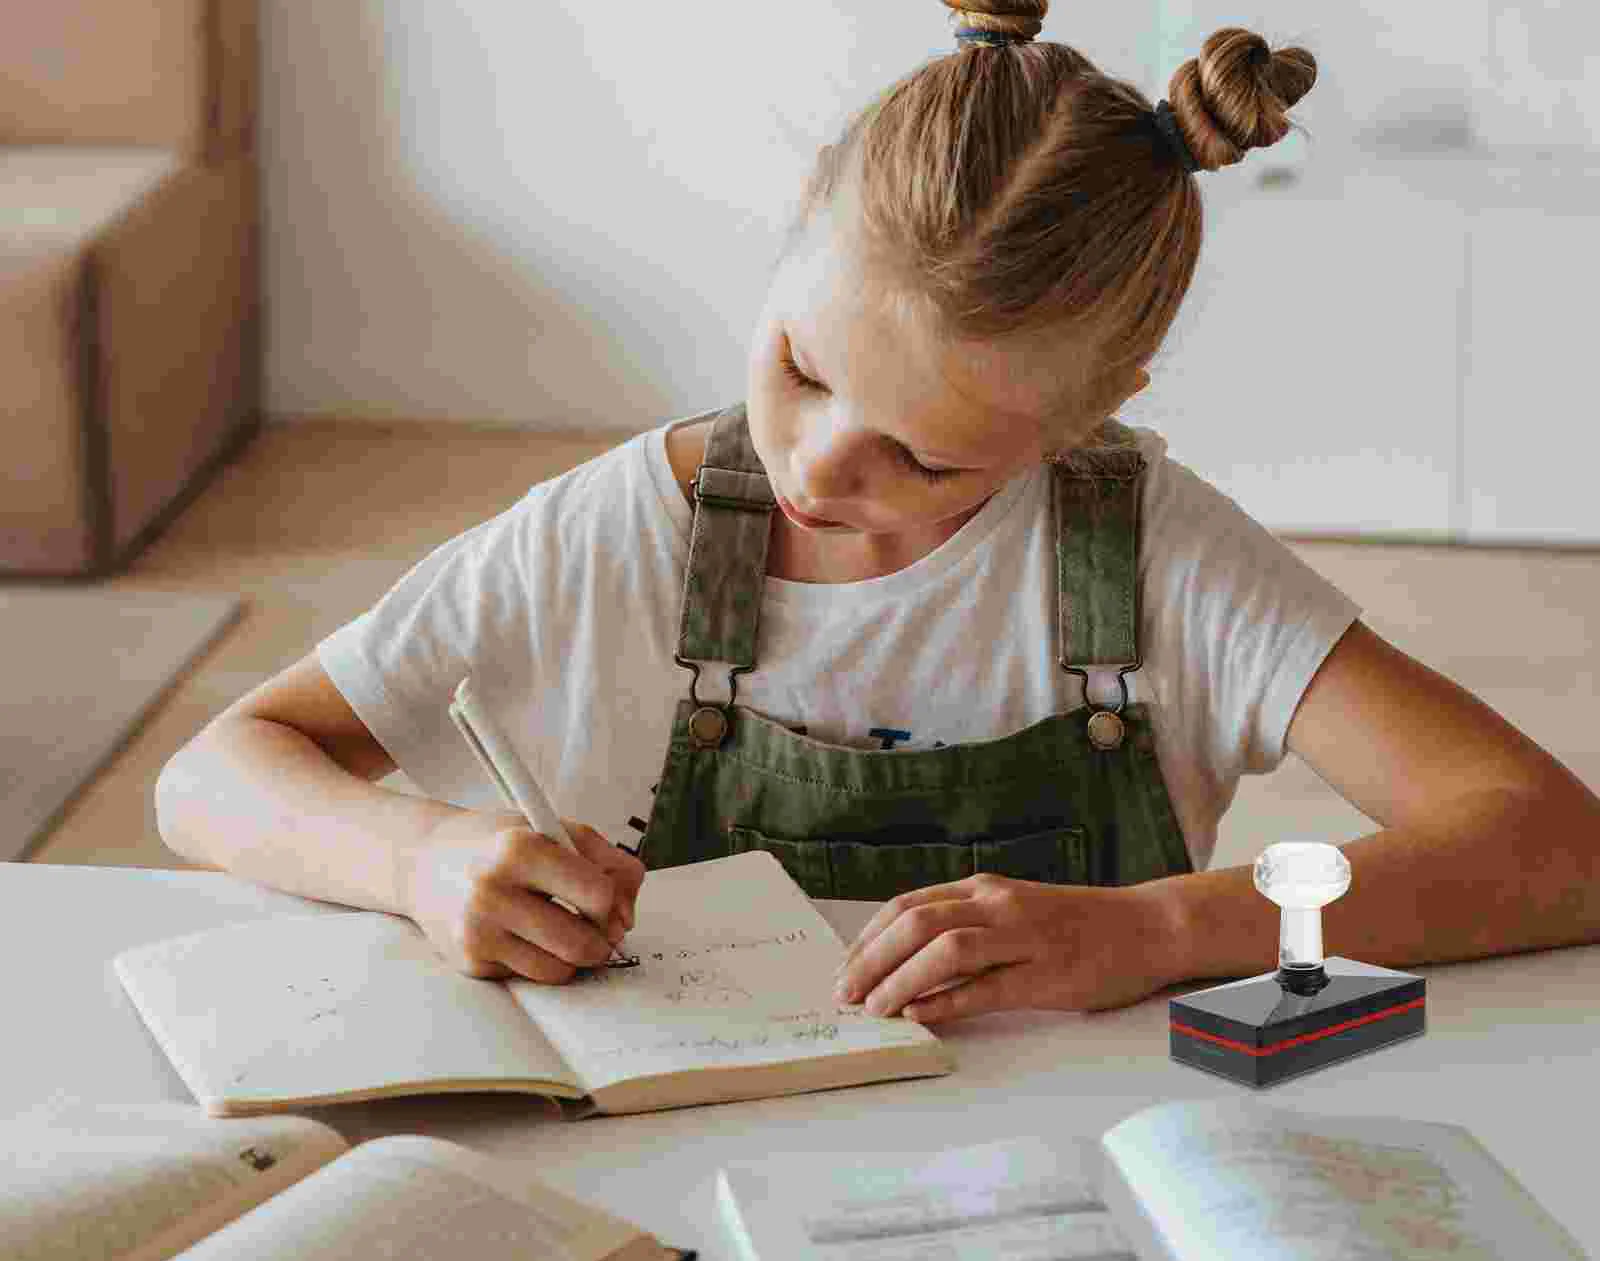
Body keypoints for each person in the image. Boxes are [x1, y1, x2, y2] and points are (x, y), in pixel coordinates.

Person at [156, 3, 1600, 1027]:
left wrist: (1165, 927)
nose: (825, 469)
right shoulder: (614, 537)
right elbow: (216, 775)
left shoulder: (1153, 553)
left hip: (1091, 1186)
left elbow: (1551, 845)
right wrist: (416, 859)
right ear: (793, 234)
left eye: (928, 460)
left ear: (1085, 420)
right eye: (801, 368)